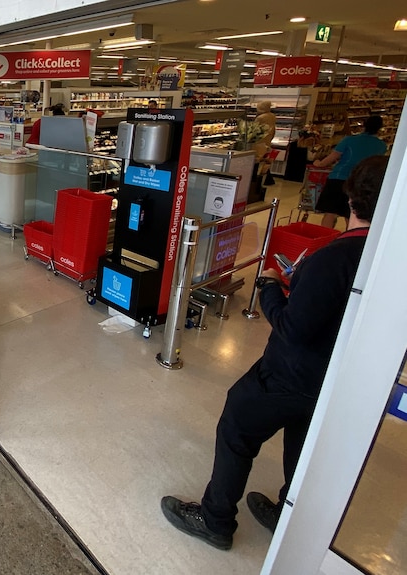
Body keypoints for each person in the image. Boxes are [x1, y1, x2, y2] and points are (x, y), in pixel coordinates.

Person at [161, 155, 388, 551]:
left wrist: (268, 287)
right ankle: (287, 514)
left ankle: (215, 520)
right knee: (301, 441)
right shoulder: (387, 258)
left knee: (236, 425)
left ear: (350, 198)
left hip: (290, 374)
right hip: (335, 379)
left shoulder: (333, 259)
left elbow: (293, 330)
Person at [313, 116, 386, 229]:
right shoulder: (381, 146)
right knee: (351, 214)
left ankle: (325, 237)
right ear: (380, 128)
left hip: (338, 179)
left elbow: (333, 157)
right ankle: (348, 237)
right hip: (359, 182)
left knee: (330, 213)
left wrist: (319, 163)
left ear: (364, 125)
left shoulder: (349, 140)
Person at [253, 101, 277, 185]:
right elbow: (273, 129)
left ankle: (256, 179)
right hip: (267, 141)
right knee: (264, 160)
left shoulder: (260, 118)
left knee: (257, 161)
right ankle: (267, 179)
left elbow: (254, 130)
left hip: (259, 142)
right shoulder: (272, 116)